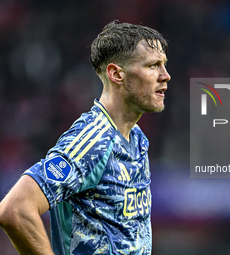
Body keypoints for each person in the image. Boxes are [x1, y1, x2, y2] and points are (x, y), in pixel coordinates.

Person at [0, 20, 171, 255]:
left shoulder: (137, 138)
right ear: (116, 74)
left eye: (164, 65)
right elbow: (15, 210)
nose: (166, 76)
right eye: (153, 66)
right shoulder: (93, 140)